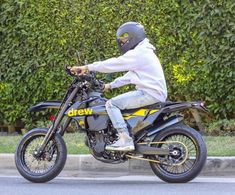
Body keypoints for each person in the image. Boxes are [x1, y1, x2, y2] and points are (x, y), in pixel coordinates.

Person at [71, 21, 167, 151]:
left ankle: (124, 139)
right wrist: (109, 86)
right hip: (152, 93)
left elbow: (113, 64)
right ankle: (125, 136)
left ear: (134, 36)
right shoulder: (143, 52)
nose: (123, 42)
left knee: (111, 104)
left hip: (149, 94)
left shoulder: (139, 54)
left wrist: (88, 67)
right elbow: (129, 76)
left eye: (125, 39)